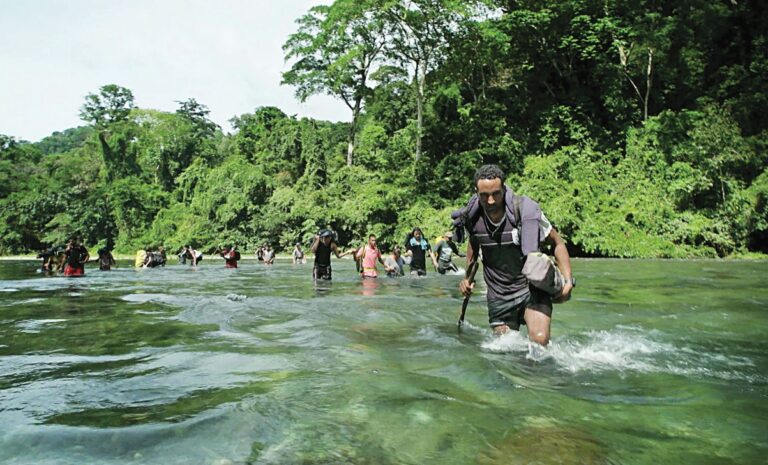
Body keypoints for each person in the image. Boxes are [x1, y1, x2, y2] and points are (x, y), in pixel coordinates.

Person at [458, 164, 574, 345]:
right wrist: (467, 278)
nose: (490, 201)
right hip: (498, 294)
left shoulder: (524, 212)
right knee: (506, 350)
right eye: (484, 195)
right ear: (476, 192)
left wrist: (568, 280)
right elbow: (473, 245)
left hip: (531, 289)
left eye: (496, 193)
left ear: (504, 189)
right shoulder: (472, 218)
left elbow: (557, 243)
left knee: (540, 342)